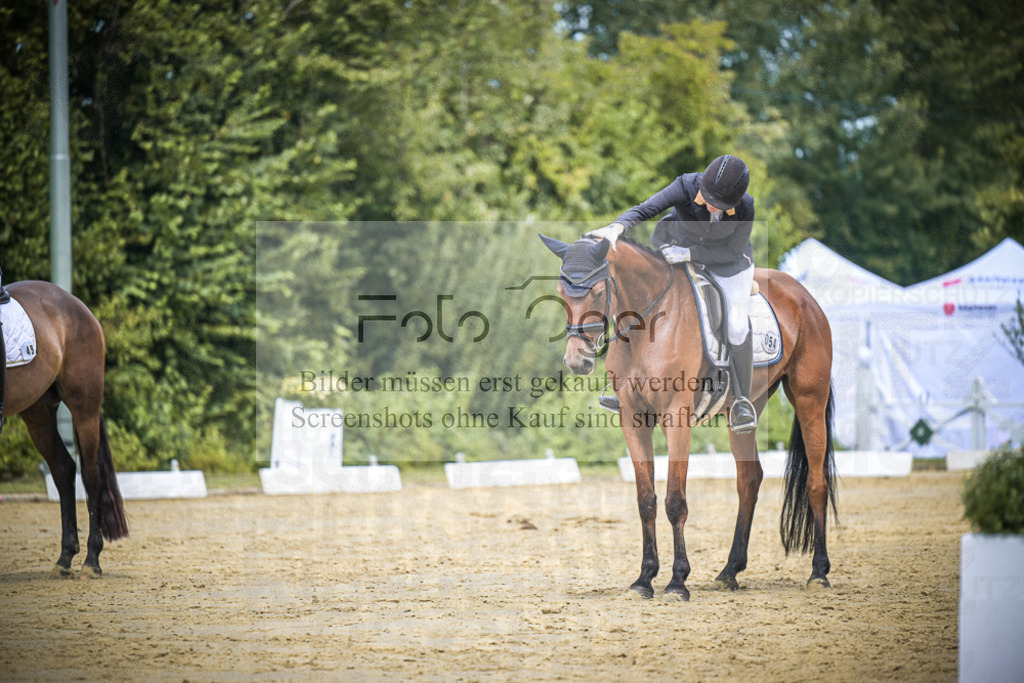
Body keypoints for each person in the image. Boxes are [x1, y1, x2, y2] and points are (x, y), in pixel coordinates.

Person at [587, 154, 758, 433]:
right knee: (642, 300)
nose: (712, 205)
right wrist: (617, 227)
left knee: (737, 326)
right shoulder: (685, 185)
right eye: (708, 197)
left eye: (720, 204)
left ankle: (741, 401)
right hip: (673, 249)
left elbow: (732, 251)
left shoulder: (746, 208)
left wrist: (691, 253)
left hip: (727, 264)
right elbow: (645, 209)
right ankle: (625, 385)